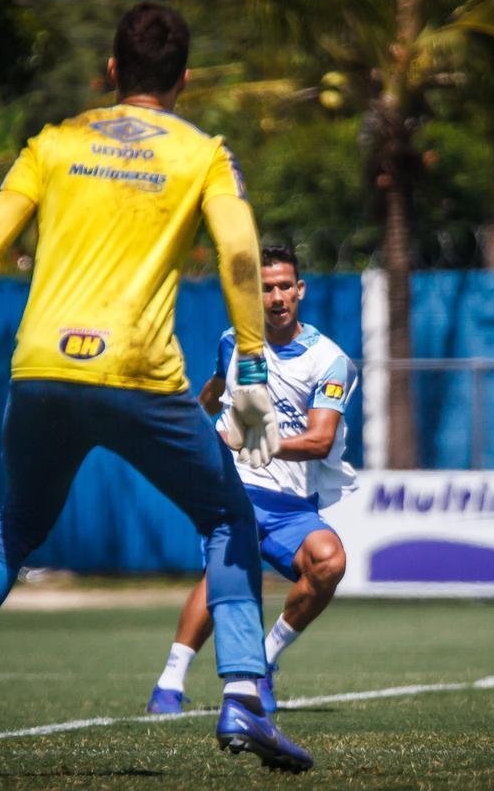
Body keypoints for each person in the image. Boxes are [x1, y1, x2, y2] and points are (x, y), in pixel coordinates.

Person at [0, 2, 312, 774]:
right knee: (227, 514)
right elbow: (240, 255)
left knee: (18, 521)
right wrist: (252, 365)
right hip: (138, 374)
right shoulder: (204, 155)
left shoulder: (52, 143)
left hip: (41, 370)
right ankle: (244, 699)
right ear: (185, 79)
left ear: (112, 70)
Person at [146, 245, 358, 715]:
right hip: (234, 487)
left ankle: (263, 661)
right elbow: (215, 389)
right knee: (224, 575)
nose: (276, 297)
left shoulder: (329, 361)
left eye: (284, 286)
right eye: (266, 288)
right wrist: (188, 427)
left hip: (292, 504)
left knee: (329, 562)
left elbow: (320, 440)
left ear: (300, 290)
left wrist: (256, 441)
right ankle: (169, 683)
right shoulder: (234, 342)